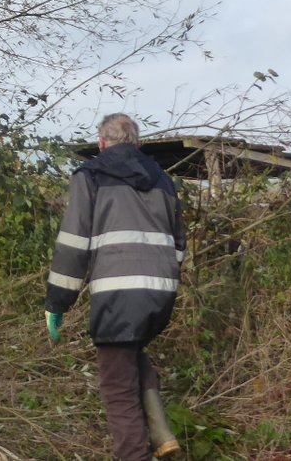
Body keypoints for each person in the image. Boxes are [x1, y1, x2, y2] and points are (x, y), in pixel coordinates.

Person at [45, 113, 185, 461]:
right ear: (137, 143)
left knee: (117, 387)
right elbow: (179, 244)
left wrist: (57, 303)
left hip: (117, 292)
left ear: (102, 142)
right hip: (160, 292)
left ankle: (134, 456)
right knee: (130, 353)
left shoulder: (90, 176)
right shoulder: (164, 181)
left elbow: (73, 244)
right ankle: (162, 433)